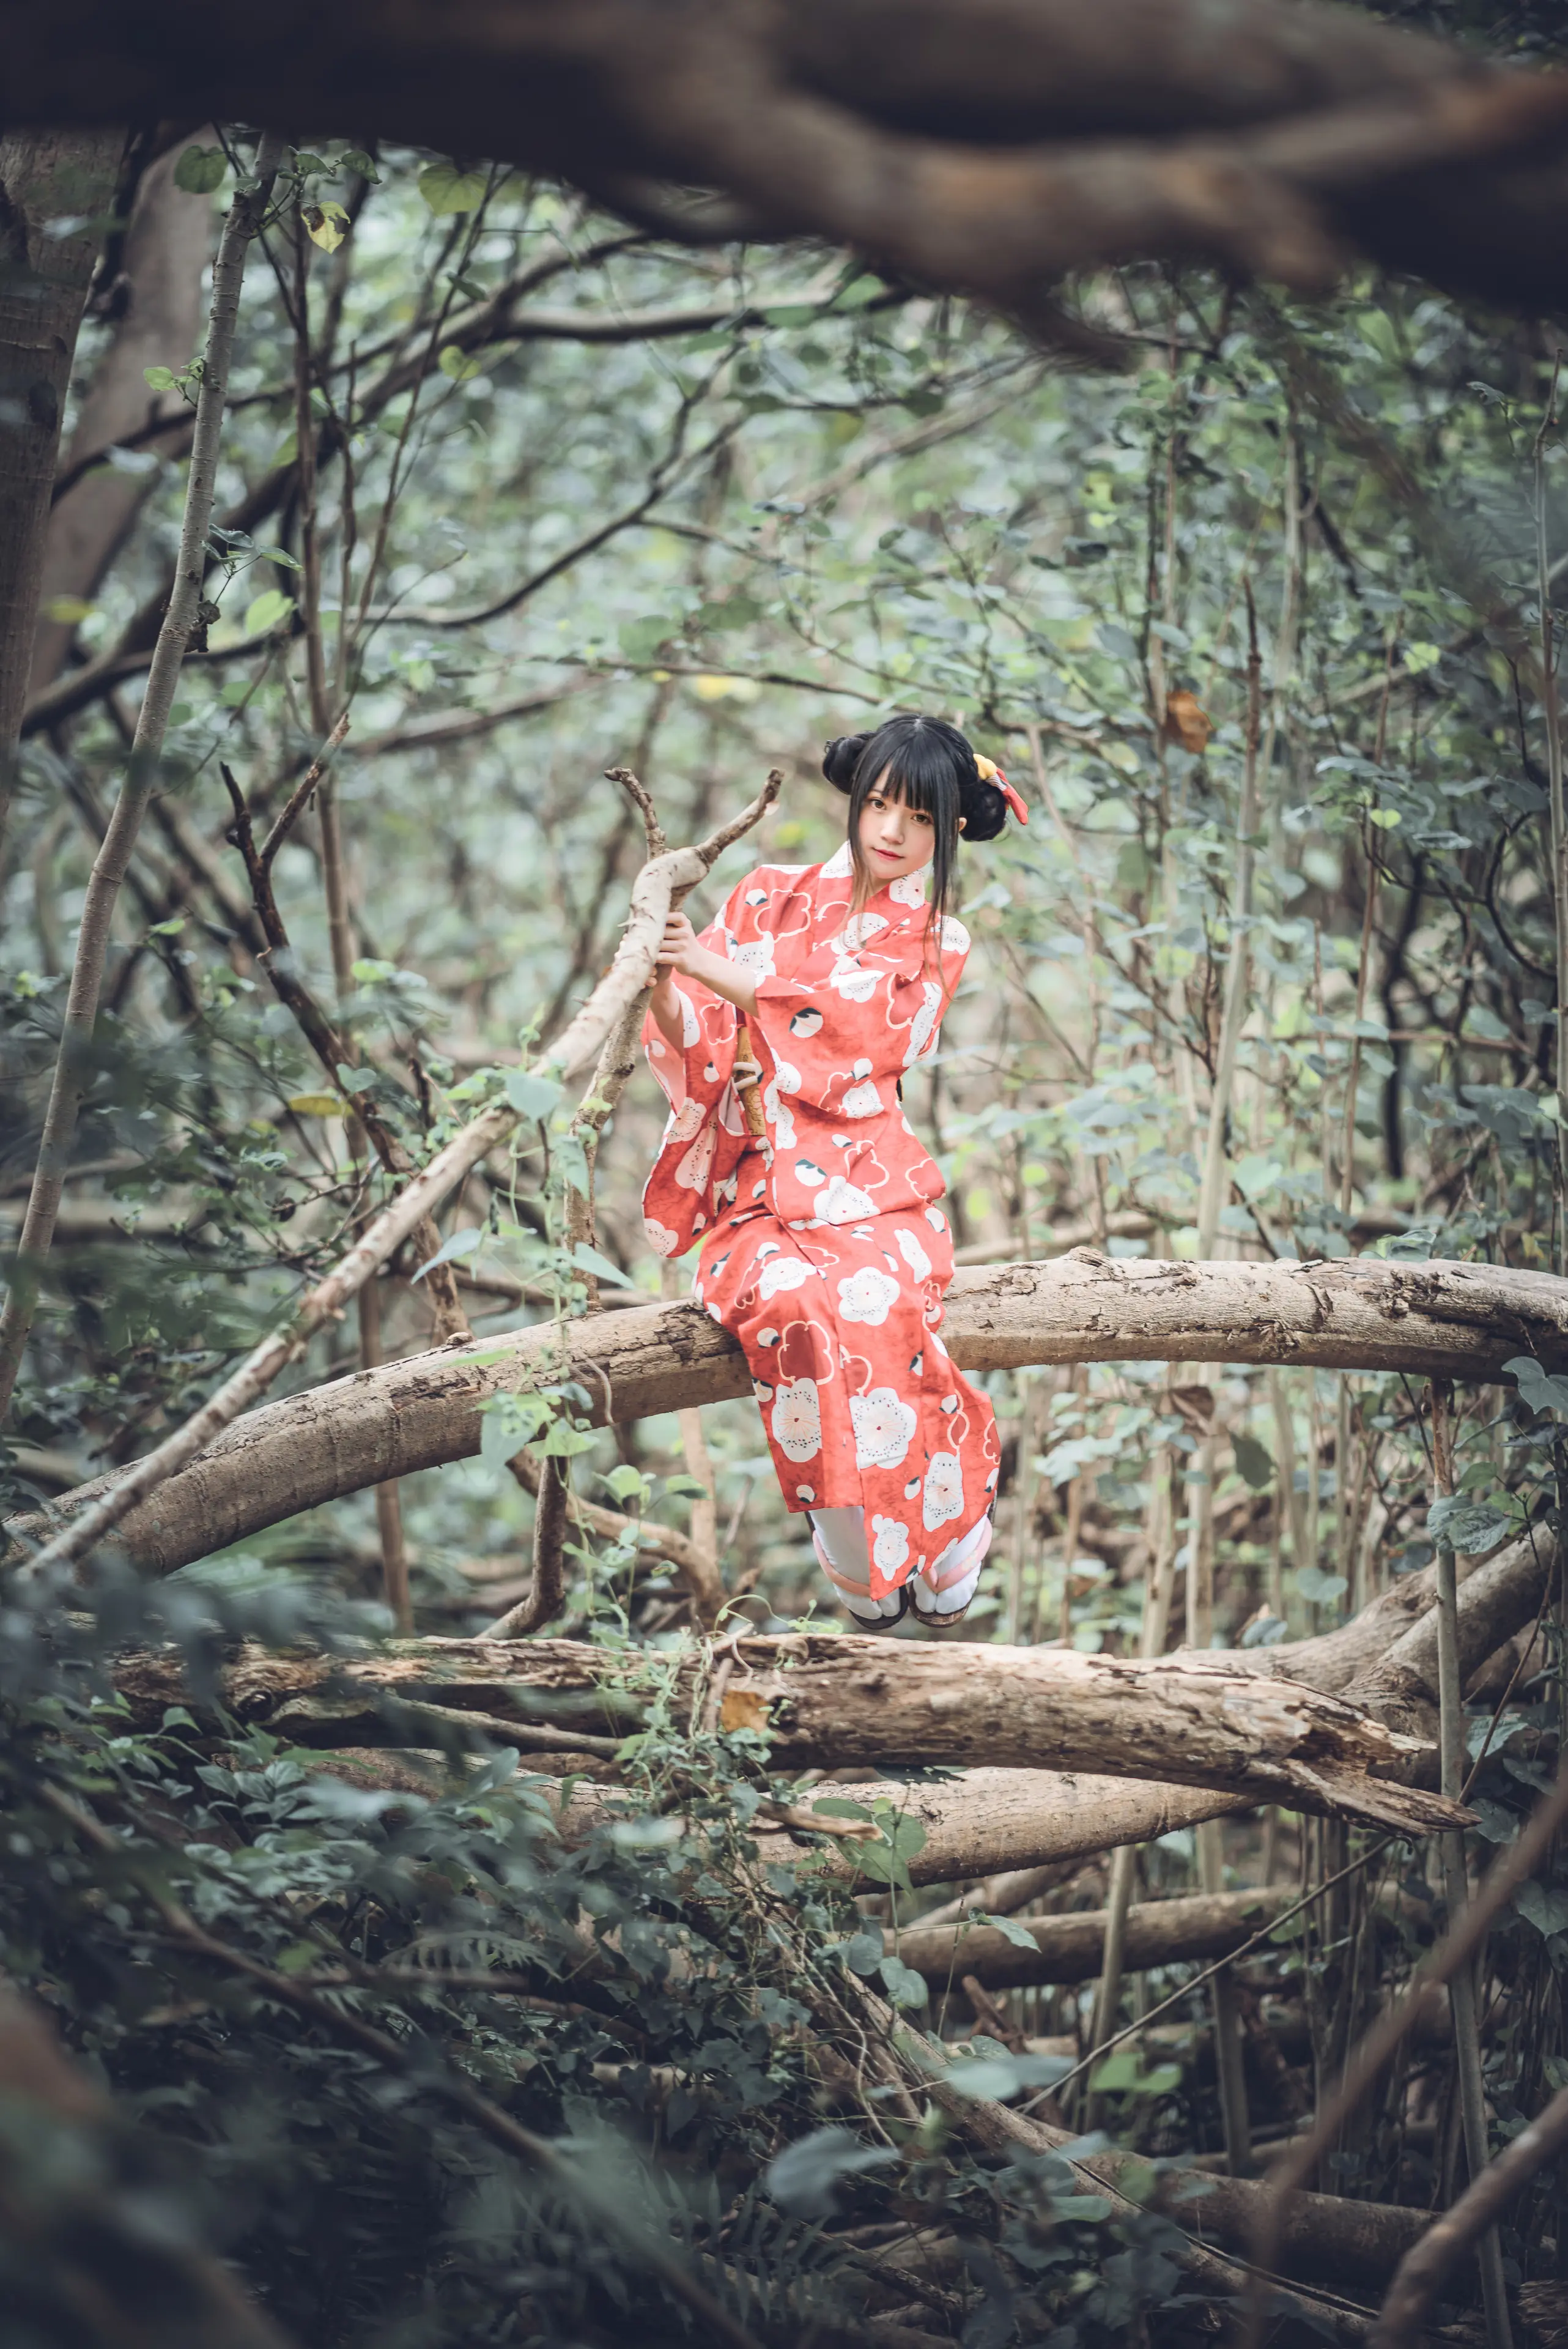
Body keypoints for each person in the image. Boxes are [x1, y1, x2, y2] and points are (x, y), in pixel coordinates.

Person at [641, 714, 1028, 1630]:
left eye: (920, 819)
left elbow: (860, 1030)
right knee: (789, 1308)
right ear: (856, 802)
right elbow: (701, 1032)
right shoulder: (768, 895)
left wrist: (708, 965)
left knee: (883, 1304)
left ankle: (951, 1530)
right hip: (756, 1193)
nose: (892, 831)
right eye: (880, 806)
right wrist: (665, 983)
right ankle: (859, 1554)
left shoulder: (941, 936)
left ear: (953, 831)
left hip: (872, 1189)